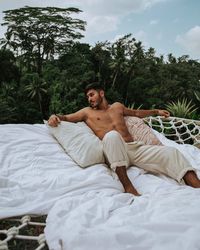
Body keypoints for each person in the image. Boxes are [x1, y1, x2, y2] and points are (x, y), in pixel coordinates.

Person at [48, 82, 200, 196]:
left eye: (91, 94)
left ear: (101, 93)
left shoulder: (117, 107)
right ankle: (128, 186)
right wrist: (55, 117)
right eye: (87, 96)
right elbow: (67, 117)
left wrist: (156, 111)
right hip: (114, 152)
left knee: (172, 152)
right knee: (112, 136)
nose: (89, 99)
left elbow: (136, 113)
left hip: (134, 149)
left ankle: (196, 187)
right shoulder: (86, 112)